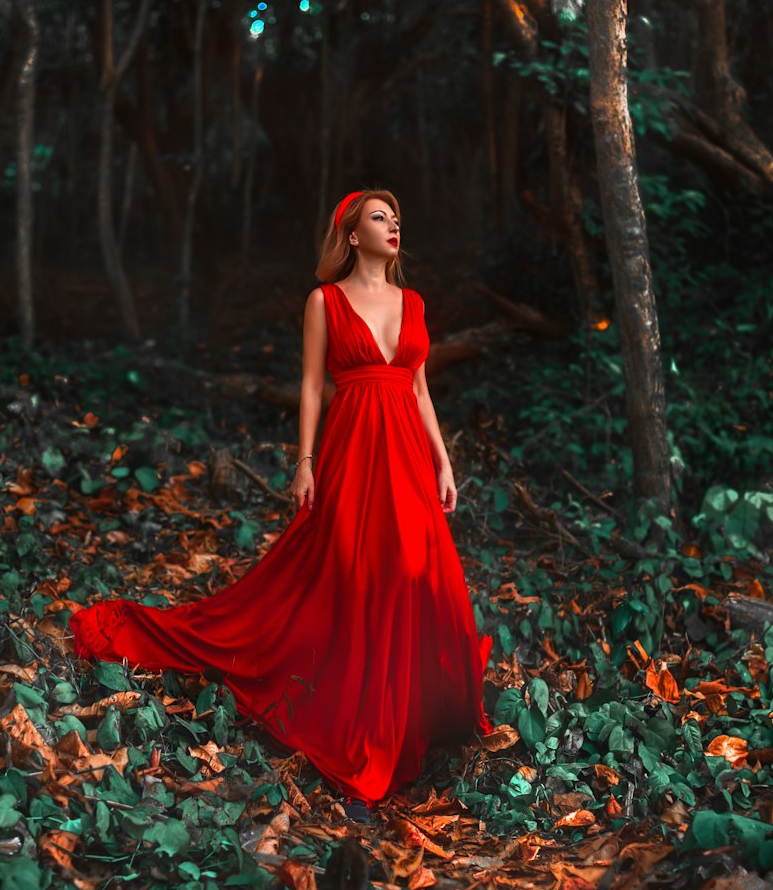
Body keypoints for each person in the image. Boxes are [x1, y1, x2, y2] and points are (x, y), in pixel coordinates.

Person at [69, 189, 492, 824]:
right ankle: (362, 730)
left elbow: (419, 388)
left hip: (406, 449)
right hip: (352, 448)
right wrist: (305, 462)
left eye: (397, 216)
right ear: (352, 234)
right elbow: (312, 385)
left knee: (416, 573)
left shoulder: (415, 304)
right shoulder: (324, 302)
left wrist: (444, 459)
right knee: (355, 574)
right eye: (380, 216)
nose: (394, 223)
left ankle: (419, 714)